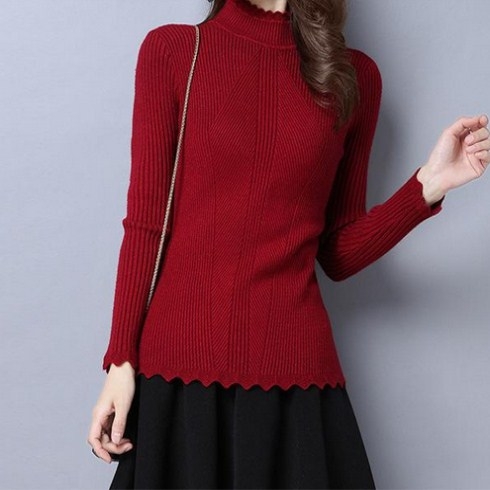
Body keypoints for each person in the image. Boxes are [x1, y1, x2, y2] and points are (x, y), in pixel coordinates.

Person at [87, 0, 490, 488]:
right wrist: (121, 361)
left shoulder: (353, 78)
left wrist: (428, 185)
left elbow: (337, 252)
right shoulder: (174, 51)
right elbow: (147, 224)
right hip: (177, 377)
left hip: (293, 378)